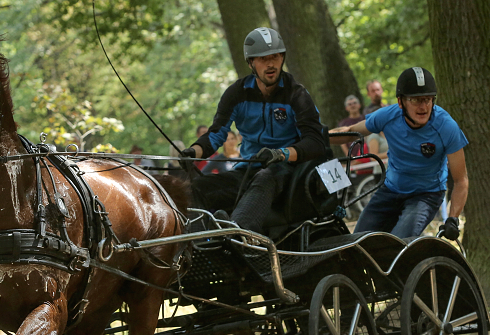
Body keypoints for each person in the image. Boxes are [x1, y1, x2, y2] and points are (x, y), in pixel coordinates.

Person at [181, 27, 327, 232]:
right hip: (247, 170)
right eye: (262, 58)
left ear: (282, 58)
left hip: (287, 171)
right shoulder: (236, 93)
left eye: (275, 57)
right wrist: (192, 152)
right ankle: (197, 246)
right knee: (196, 188)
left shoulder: (297, 94)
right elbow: (216, 134)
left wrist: (280, 154)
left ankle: (237, 235)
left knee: (266, 176)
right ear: (251, 62)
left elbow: (315, 142)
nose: (270, 64)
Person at [332, 67, 469, 240]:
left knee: (397, 245)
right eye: (415, 100)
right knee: (357, 243)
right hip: (391, 189)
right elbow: (350, 131)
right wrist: (315, 138)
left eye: (427, 99)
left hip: (425, 195)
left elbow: (461, 180)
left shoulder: (446, 126)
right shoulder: (388, 116)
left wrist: (453, 219)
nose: (423, 106)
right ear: (400, 102)